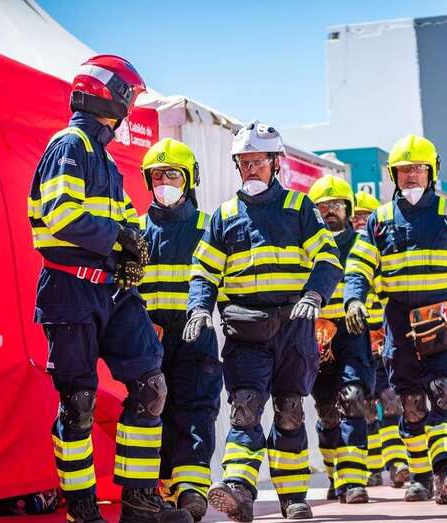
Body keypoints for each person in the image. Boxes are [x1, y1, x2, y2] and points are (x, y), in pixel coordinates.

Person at [28, 55, 191, 523]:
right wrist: (118, 236)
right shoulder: (70, 145)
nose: (131, 108)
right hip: (70, 288)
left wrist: (132, 246)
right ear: (113, 97)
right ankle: (82, 509)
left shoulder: (103, 156)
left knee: (150, 387)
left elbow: (120, 221)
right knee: (78, 403)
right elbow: (61, 215)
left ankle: (139, 503)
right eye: (130, 98)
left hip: (111, 291)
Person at [183, 121, 342, 521]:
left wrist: (314, 294)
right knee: (245, 409)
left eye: (257, 161)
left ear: (275, 162)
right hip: (246, 332)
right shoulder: (224, 215)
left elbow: (328, 258)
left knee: (289, 410)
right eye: (244, 162)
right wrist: (199, 307)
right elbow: (204, 271)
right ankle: (239, 491)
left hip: (293, 328)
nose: (250, 168)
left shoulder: (299, 208)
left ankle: (293, 498)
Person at [343, 135, 447, 505]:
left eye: (418, 168)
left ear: (432, 172)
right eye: (404, 170)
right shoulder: (379, 220)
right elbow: (359, 266)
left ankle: (446, 470)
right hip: (399, 326)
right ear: (393, 175)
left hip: (442, 321)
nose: (411, 175)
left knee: (444, 393)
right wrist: (354, 299)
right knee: (410, 403)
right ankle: (421, 478)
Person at [137, 138, 224, 521]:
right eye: (157, 176)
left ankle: (191, 490)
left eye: (172, 174)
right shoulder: (136, 230)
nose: (164, 183)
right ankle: (154, 491)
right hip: (148, 340)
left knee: (195, 410)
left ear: (189, 179)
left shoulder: (210, 227)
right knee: (150, 412)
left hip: (194, 337)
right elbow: (123, 289)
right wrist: (141, 324)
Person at [307, 176, 375, 504]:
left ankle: (354, 480)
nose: (329, 212)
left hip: (351, 334)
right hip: (315, 336)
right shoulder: (304, 246)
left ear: (348, 208)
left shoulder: (362, 244)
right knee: (326, 412)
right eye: (322, 207)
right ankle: (335, 474)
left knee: (352, 398)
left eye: (336, 205)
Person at [352, 191, 411, 490]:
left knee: (391, 403)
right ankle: (372, 468)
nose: (359, 221)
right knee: (363, 407)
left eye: (365, 216)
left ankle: (397, 463)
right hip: (356, 343)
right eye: (356, 216)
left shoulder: (386, 253)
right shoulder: (347, 257)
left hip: (382, 341)